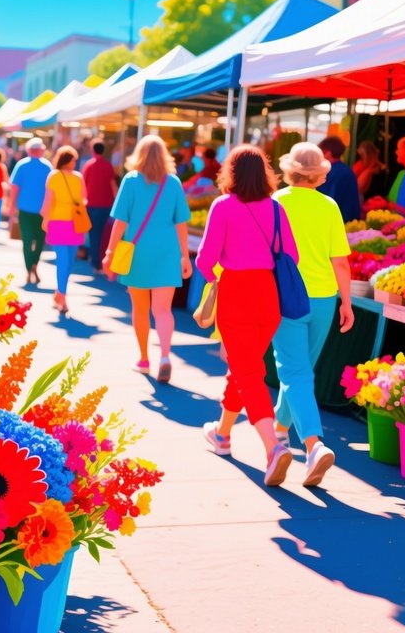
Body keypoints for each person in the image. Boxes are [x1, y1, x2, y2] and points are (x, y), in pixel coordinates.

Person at [203, 143, 354, 488]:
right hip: (298, 298)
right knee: (273, 369)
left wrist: (218, 279)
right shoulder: (306, 206)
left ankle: (290, 446)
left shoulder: (250, 203)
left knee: (269, 371)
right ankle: (245, 434)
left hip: (258, 294)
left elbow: (210, 257)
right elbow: (317, 258)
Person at [195, 145, 299, 487]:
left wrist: (215, 281)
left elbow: (204, 261)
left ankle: (273, 449)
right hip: (268, 295)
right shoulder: (275, 208)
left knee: (248, 371)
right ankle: (222, 434)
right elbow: (292, 257)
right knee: (244, 367)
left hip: (237, 292)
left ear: (232, 173)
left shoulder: (222, 206)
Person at [103, 136, 191, 382]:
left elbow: (120, 221)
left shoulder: (130, 181)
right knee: (163, 310)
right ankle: (165, 355)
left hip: (137, 252)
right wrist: (185, 255)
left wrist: (110, 252)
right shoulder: (173, 183)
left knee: (140, 309)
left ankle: (144, 359)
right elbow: (181, 223)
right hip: (167, 252)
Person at [41, 145, 88, 315]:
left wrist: (45, 218)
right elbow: (84, 199)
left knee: (62, 260)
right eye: (74, 159)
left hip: (57, 221)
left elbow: (48, 201)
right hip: (75, 223)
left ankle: (60, 293)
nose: (75, 162)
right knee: (68, 261)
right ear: (70, 160)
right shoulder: (78, 177)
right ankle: (62, 296)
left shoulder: (53, 176)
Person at [8, 138, 52, 285]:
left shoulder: (21, 165)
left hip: (25, 210)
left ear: (28, 150)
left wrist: (11, 206)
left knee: (27, 241)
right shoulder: (48, 166)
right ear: (41, 150)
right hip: (43, 211)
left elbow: (14, 188)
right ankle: (34, 265)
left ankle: (28, 269)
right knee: (40, 240)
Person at [82, 138, 117, 273]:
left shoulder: (88, 165)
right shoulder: (108, 166)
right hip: (106, 205)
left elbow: (83, 186)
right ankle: (102, 262)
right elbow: (113, 186)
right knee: (105, 235)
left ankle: (96, 262)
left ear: (92, 150)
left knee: (94, 234)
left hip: (91, 205)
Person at [317, 136, 361, 222]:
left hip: (334, 219)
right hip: (348, 219)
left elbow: (328, 199)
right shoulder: (347, 171)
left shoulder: (328, 172)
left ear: (328, 154)